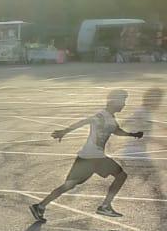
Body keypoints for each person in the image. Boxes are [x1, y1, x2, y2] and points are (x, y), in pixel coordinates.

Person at [31, 89, 144, 222]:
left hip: (86, 157)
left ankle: (40, 206)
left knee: (68, 185)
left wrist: (132, 134)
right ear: (115, 102)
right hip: (95, 158)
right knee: (121, 176)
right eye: (123, 101)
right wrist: (65, 131)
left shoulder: (110, 118)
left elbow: (117, 131)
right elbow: (85, 121)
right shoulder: (101, 116)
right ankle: (105, 206)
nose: (124, 105)